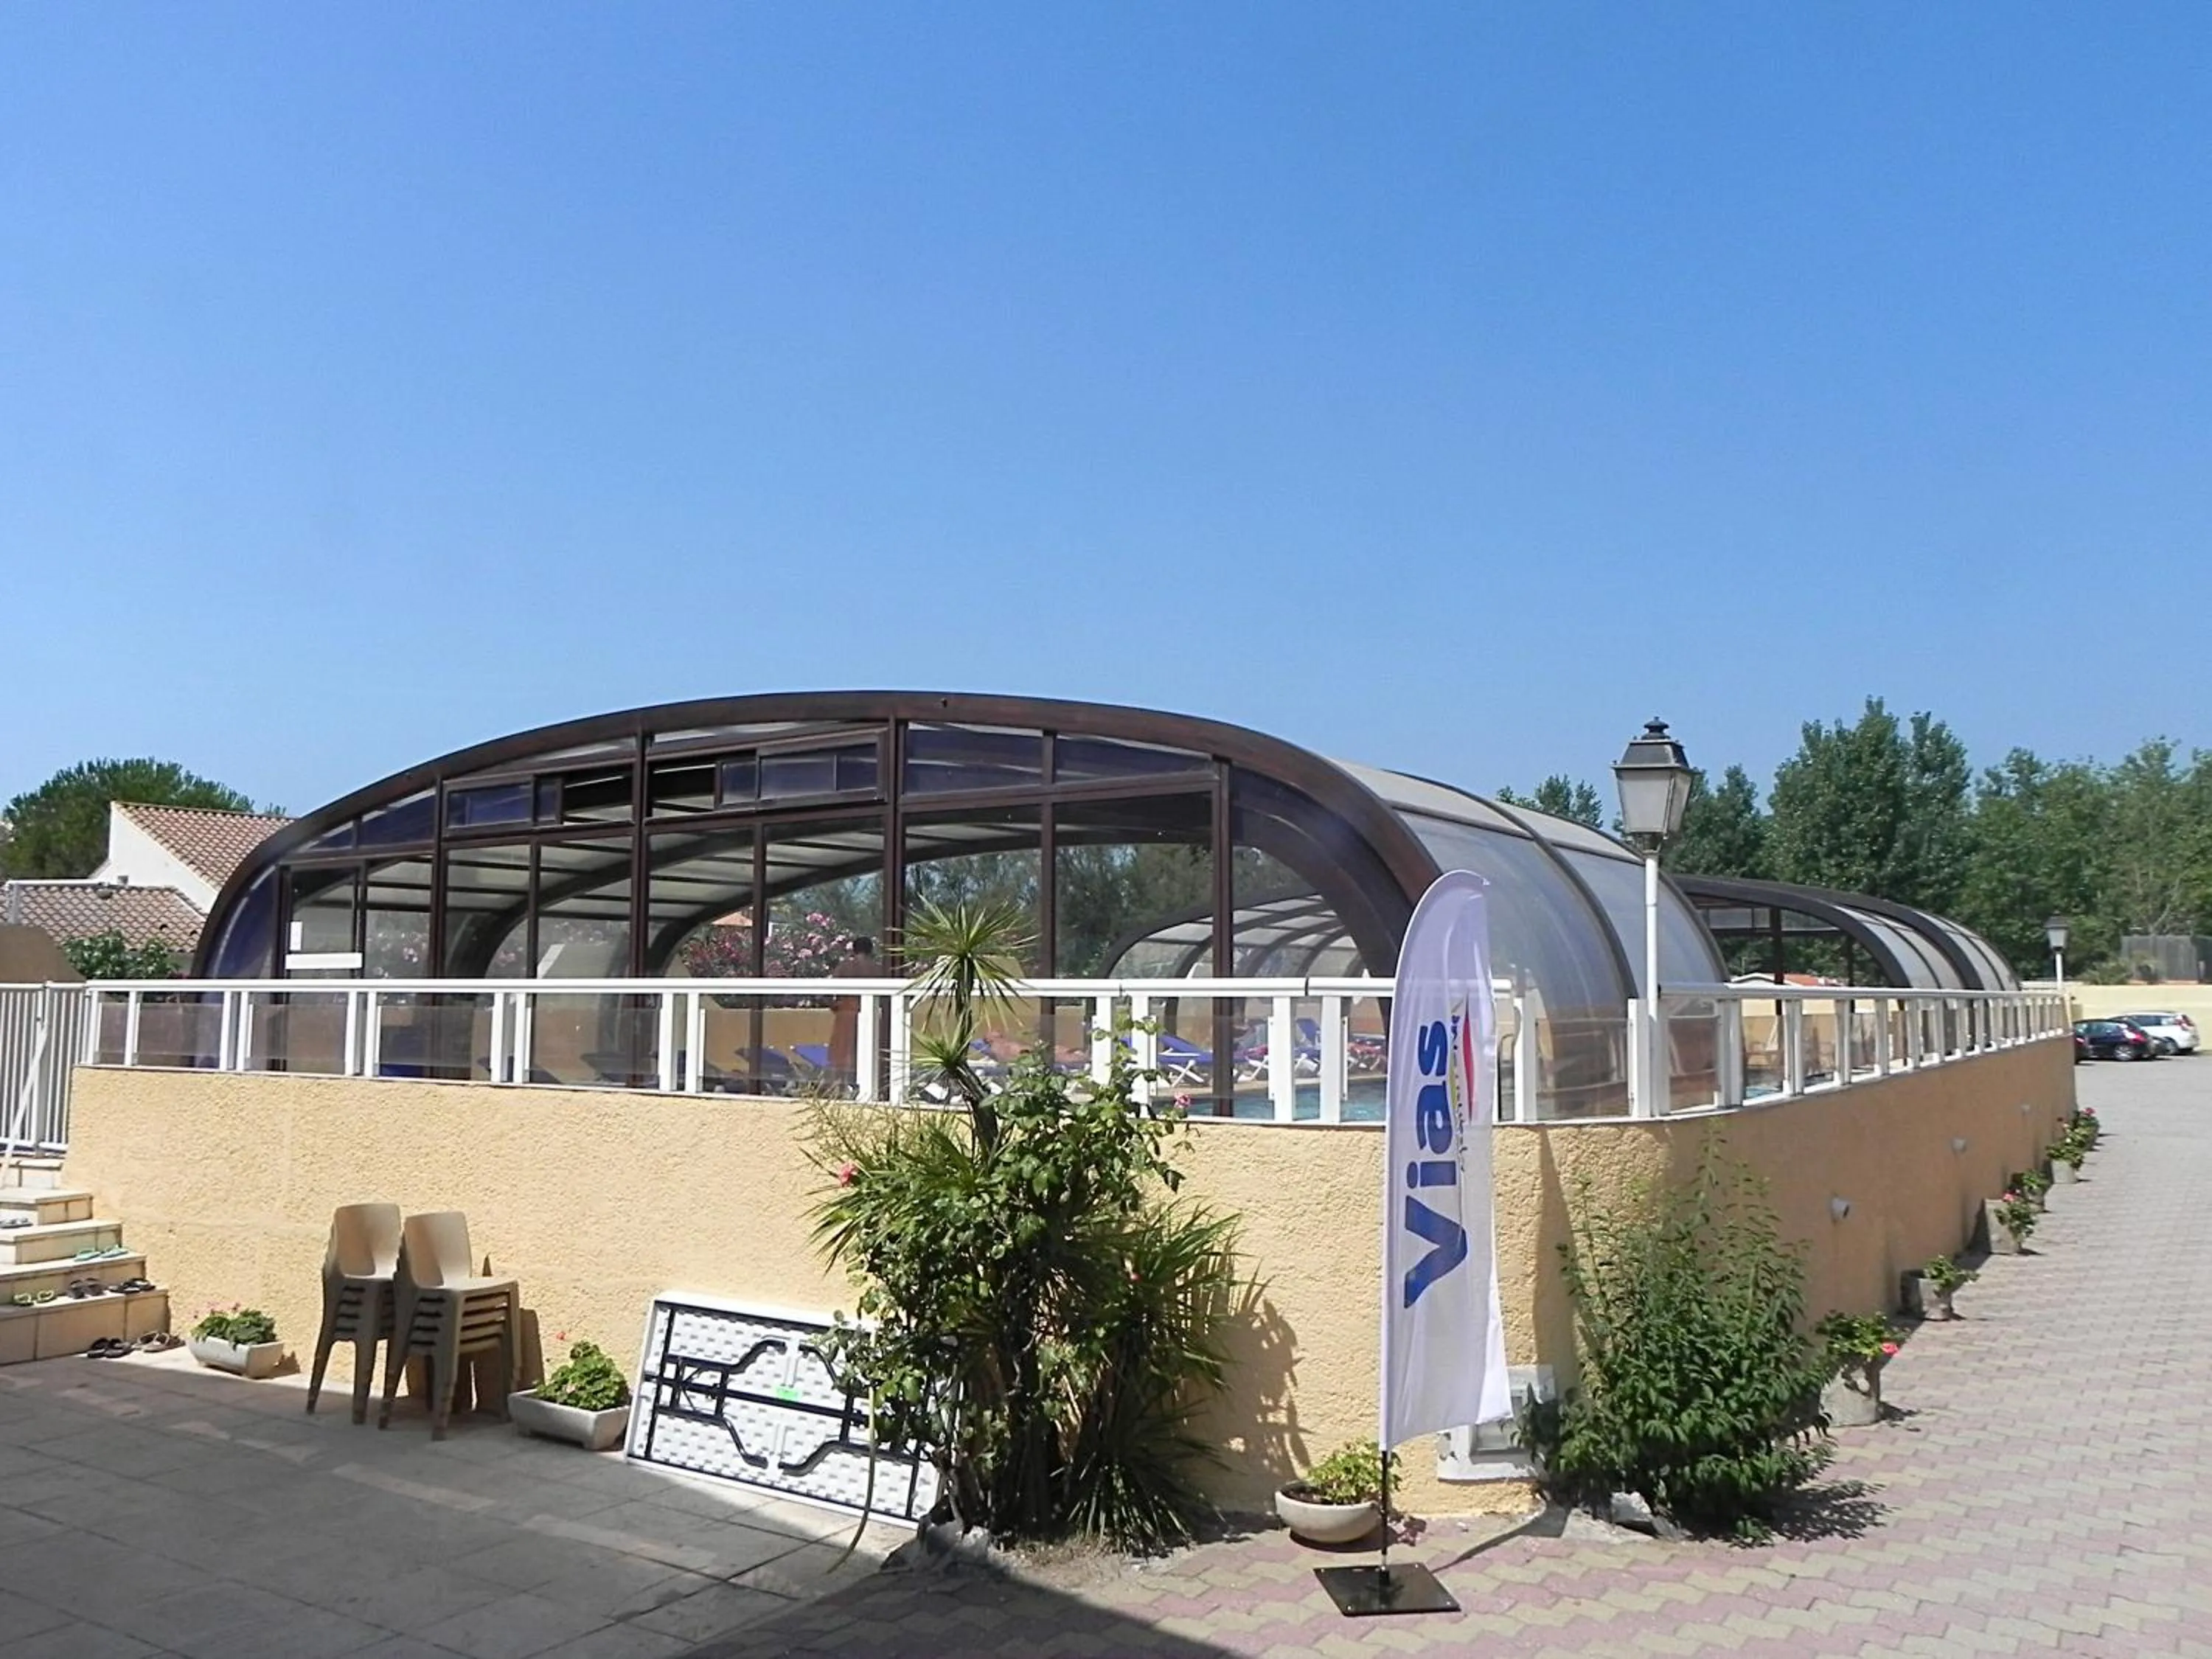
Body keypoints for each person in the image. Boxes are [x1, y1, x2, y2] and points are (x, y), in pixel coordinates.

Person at [826, 934, 885, 1092]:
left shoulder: (845, 967)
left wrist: (835, 1005)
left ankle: (842, 1089)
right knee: (870, 1052)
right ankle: (871, 1088)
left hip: (846, 1013)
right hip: (872, 1014)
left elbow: (828, 992)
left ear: (854, 949)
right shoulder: (877, 969)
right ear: (871, 950)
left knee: (843, 1054)